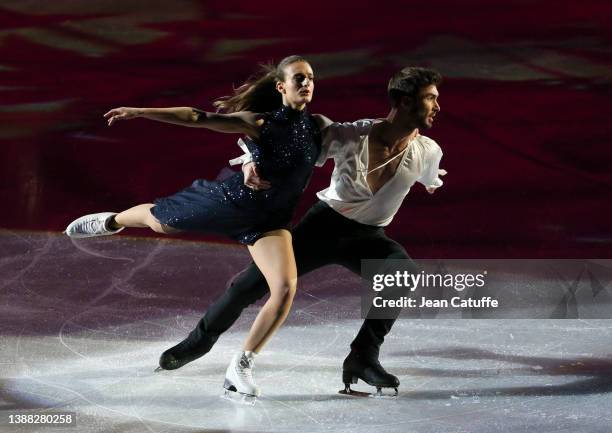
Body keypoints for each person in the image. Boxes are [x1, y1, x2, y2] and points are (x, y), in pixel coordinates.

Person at [158, 66, 446, 396]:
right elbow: (281, 144)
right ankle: (199, 342)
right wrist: (252, 159)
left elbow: (429, 175)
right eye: (429, 98)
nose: (437, 106)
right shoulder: (353, 136)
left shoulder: (428, 152)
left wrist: (432, 183)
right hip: (323, 227)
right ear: (405, 102)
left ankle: (362, 358)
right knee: (249, 285)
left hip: (368, 238)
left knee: (402, 275)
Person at [64, 55, 325, 400]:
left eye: (309, 78)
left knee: (285, 288)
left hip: (269, 221)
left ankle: (241, 365)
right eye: (298, 79)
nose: (306, 84)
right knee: (161, 221)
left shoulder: (319, 125)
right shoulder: (259, 122)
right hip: (231, 202)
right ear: (281, 87)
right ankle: (112, 221)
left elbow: (360, 134)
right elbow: (199, 117)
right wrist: (142, 112)